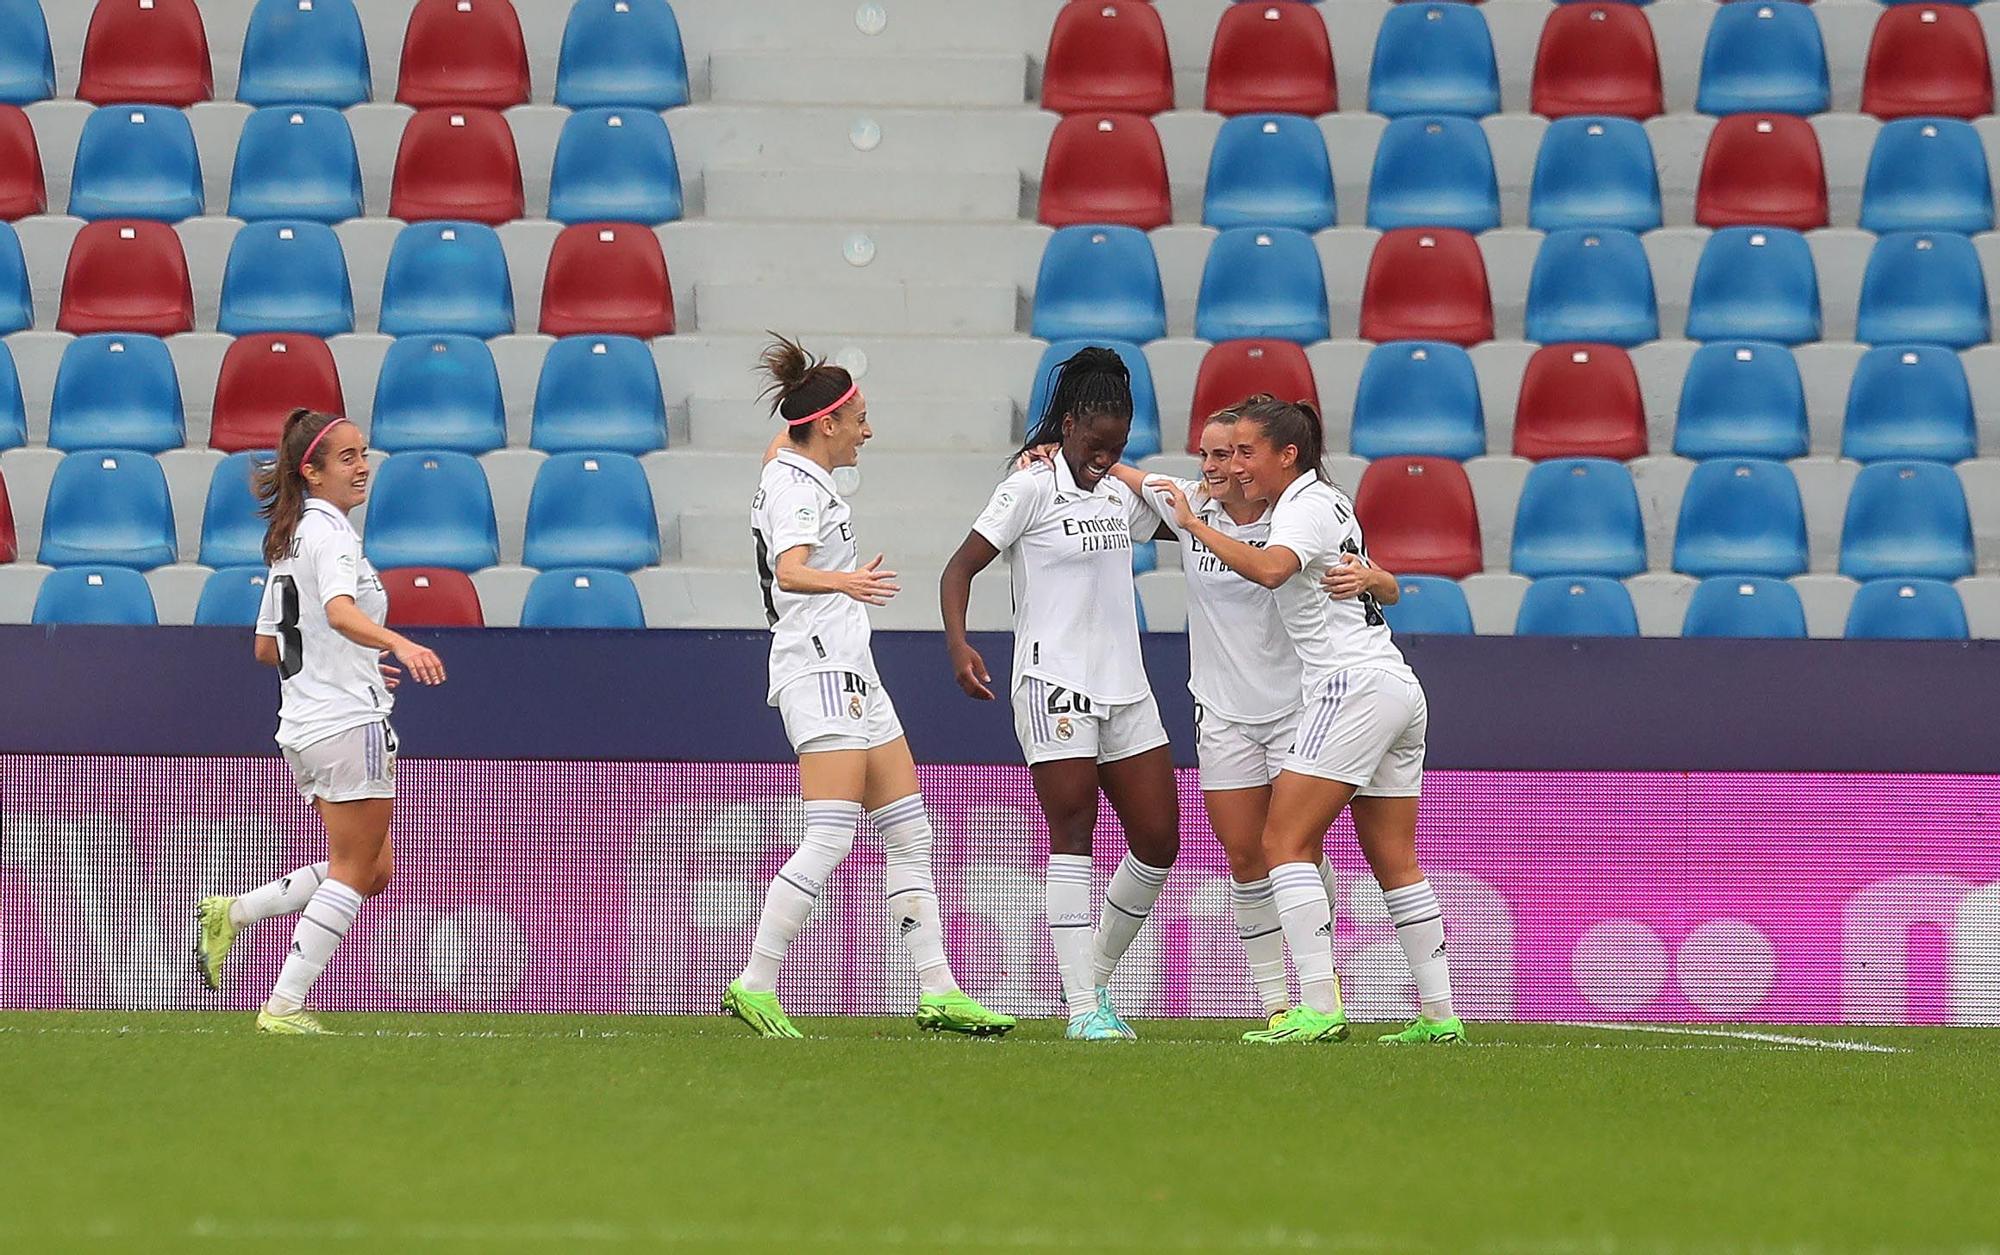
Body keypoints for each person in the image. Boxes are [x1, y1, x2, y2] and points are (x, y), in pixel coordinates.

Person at [1147, 398, 1465, 1045]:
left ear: (1285, 454)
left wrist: (1193, 526)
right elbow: (1383, 586)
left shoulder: (1301, 506)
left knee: (1280, 843)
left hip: (1347, 686)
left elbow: (1270, 569)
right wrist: (1379, 576)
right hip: (1397, 683)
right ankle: (1440, 1015)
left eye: (1246, 452)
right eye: (1227, 453)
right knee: (1395, 859)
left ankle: (1318, 1006)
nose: (1236, 467)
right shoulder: (1335, 500)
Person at [727, 335, 1015, 1039]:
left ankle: (939, 988)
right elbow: (791, 568)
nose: (868, 430)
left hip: (856, 673)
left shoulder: (788, 464)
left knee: (911, 833)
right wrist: (847, 580)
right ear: (827, 424)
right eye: (859, 417)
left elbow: (782, 441)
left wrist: (809, 386)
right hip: (818, 669)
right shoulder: (797, 489)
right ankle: (755, 981)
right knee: (828, 835)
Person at [940, 347, 1180, 1042]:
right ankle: (1081, 1008)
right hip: (1054, 680)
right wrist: (959, 643)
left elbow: (1185, 518)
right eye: (1098, 442)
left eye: (1120, 444)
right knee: (1074, 834)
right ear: (1069, 424)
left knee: (1160, 841)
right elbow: (959, 569)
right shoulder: (1029, 488)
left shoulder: (1114, 491)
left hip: (1125, 684)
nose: (1107, 455)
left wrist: (1127, 472)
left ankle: (1094, 979)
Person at [194, 408, 446, 1035]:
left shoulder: (292, 536)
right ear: (313, 471)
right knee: (356, 869)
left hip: (305, 722)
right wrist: (397, 645)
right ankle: (283, 1005)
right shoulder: (330, 533)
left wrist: (351, 661)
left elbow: (266, 646)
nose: (363, 467)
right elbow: (336, 612)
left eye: (365, 454)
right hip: (343, 721)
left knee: (374, 866)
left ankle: (236, 910)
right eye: (348, 458)